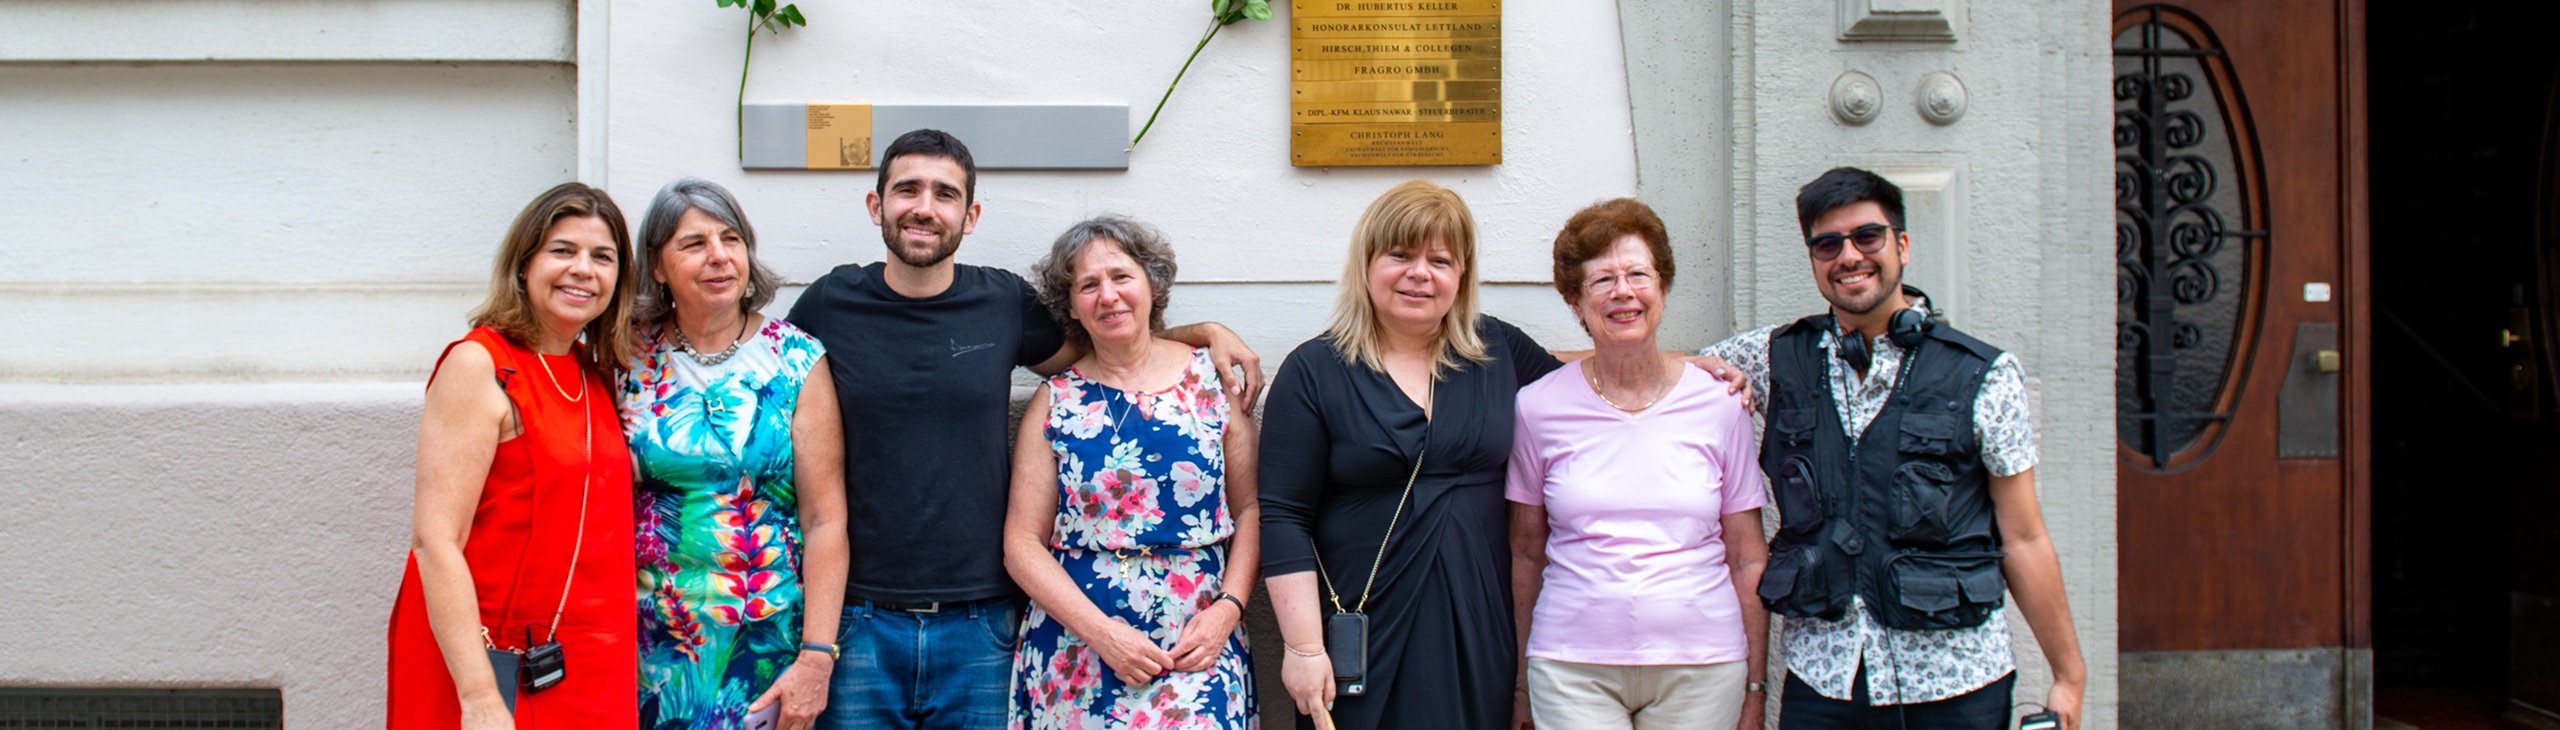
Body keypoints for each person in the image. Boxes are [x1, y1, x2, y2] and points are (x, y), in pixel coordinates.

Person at [783, 129, 1260, 730]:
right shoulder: (830, 303)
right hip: (860, 616)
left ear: (971, 214)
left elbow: (1108, 347)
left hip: (982, 621)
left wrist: (1203, 332)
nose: (924, 208)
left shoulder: (1001, 301)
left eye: (945, 194)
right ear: (877, 205)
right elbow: (765, 390)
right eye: (907, 190)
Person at [1697, 167, 2087, 729]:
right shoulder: (1773, 356)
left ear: (1901, 245)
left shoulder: (1985, 375)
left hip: (1958, 682)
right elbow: (1647, 374)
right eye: (1828, 244)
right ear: (1813, 260)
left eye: (1867, 237)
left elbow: (2024, 536)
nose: (1849, 256)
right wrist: (1540, 375)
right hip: (1823, 685)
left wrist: (2069, 675)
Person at [1260, 179, 1565, 730]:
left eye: (1441, 260)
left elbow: (1592, 396)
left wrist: (1684, 372)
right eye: (1400, 254)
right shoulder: (1313, 371)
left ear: (1462, 276)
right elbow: (1283, 515)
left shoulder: (1499, 350)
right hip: (1362, 625)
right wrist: (1303, 648)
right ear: (1367, 262)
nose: (1420, 273)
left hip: (1478, 620)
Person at [1507, 198, 1768, 730]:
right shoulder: (1536, 407)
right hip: (1571, 666)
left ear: (1662, 289)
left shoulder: (1720, 403)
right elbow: (1526, 555)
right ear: (1576, 303)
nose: (1623, 291)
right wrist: (1519, 684)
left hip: (1704, 664)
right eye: (1602, 280)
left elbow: (1747, 557)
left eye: (1637, 275)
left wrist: (1757, 687)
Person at [386, 182, 640, 729]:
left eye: (603, 257)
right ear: (524, 264)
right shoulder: (479, 365)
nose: (583, 270)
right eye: (562, 251)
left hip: (584, 667)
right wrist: (479, 696)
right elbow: (436, 543)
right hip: (491, 665)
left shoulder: (590, 373)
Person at [1002, 216, 1260, 728]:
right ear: (1071, 305)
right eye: (1088, 285)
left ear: (1152, 284)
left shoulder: (1212, 383)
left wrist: (1227, 610)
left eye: (1121, 277)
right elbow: (1021, 544)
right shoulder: (1055, 402)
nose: (1109, 296)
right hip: (1078, 648)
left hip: (1198, 642)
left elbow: (1251, 507)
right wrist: (1101, 633)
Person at [621, 178, 849, 730]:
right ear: (656, 266)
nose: (719, 257)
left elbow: (824, 519)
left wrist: (817, 653)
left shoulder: (796, 359)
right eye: (694, 244)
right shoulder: (623, 355)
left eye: (731, 239)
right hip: (645, 646)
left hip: (765, 641)